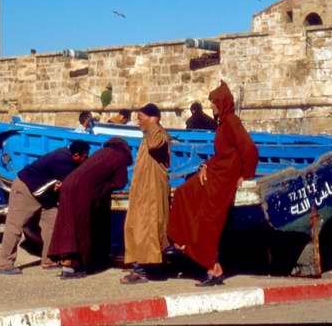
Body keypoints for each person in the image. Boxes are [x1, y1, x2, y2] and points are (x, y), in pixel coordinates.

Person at [168, 81, 259, 287]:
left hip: (224, 179)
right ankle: (182, 240)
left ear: (223, 103)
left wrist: (245, 175)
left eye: (215, 103)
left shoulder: (233, 123)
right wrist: (205, 166)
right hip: (216, 172)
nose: (212, 107)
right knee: (184, 193)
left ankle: (213, 268)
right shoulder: (224, 123)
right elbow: (222, 154)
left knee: (209, 219)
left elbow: (250, 150)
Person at [0, 141, 90, 275]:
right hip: (26, 189)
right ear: (76, 155)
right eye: (85, 157)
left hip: (45, 192)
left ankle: (48, 260)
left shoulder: (67, 156)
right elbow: (70, 185)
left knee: (52, 224)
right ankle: (5, 264)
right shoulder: (64, 160)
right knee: (15, 225)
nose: (86, 159)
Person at [48, 137, 133, 278]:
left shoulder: (101, 152)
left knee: (67, 226)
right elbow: (120, 182)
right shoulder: (120, 157)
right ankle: (78, 266)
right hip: (83, 190)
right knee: (82, 228)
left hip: (68, 185)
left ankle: (67, 267)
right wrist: (105, 188)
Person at [121, 103, 171, 284]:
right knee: (137, 228)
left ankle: (142, 270)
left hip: (151, 193)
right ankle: (145, 267)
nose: (138, 123)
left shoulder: (157, 133)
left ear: (152, 118)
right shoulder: (149, 135)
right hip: (143, 192)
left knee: (147, 229)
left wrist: (152, 124)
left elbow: (155, 144)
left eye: (141, 118)